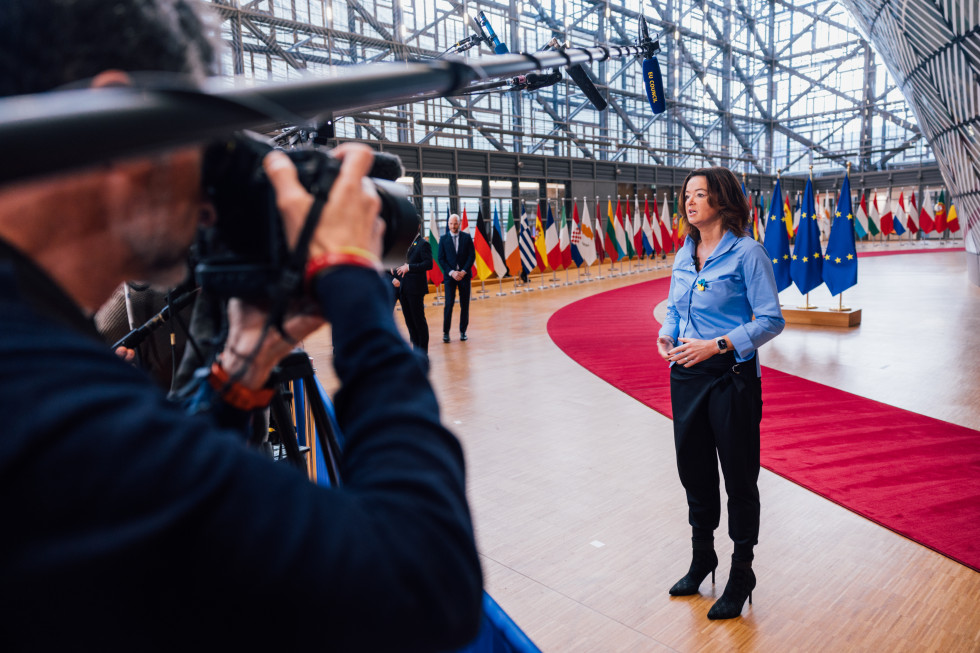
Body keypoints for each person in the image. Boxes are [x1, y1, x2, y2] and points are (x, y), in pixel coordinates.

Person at [0, 1, 482, 650]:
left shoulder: (34, 356)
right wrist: (356, 289)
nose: (209, 195)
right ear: (123, 130)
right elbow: (423, 582)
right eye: (206, 143)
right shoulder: (50, 405)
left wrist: (233, 378)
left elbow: (149, 525)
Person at [656, 167, 784, 620]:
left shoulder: (748, 254)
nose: (690, 202)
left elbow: (771, 319)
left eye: (700, 194)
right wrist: (667, 335)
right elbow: (673, 308)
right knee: (694, 471)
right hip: (686, 376)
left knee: (738, 476)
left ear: (723, 201)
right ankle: (702, 556)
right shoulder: (683, 253)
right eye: (687, 194)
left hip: (731, 377)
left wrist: (719, 343)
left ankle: (742, 569)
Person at [394, 220, 434, 353]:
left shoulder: (423, 244)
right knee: (410, 323)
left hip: (415, 289)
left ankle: (423, 353)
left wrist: (409, 267)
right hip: (403, 289)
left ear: (418, 226)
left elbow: (429, 264)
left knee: (419, 322)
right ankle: (415, 352)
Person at [438, 213, 475, 342]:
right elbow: (441, 259)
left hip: (464, 277)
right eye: (450, 224)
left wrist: (464, 271)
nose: (453, 226)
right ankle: (446, 333)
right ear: (448, 224)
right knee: (449, 304)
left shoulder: (467, 237)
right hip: (450, 278)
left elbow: (472, 256)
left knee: (465, 305)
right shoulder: (443, 239)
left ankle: (463, 331)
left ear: (459, 224)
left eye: (455, 223)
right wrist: (452, 272)